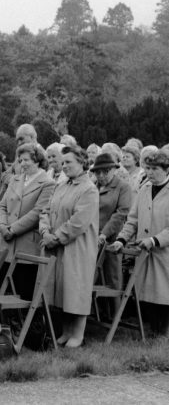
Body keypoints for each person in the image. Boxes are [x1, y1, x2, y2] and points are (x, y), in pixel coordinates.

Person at [39, 145, 99, 348]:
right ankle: (65, 332)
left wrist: (55, 237)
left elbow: (78, 222)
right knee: (61, 290)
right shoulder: (60, 185)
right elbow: (45, 210)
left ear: (82, 163)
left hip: (76, 248)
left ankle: (78, 334)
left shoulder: (89, 189)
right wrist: (45, 231)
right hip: (55, 246)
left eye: (68, 162)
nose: (64, 166)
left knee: (76, 289)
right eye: (62, 162)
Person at [110, 150, 169, 337]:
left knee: (164, 292)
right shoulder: (144, 189)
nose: (150, 172)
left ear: (166, 170)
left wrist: (154, 240)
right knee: (147, 292)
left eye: (155, 169)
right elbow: (133, 219)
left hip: (163, 251)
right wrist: (121, 239)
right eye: (148, 168)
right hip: (144, 251)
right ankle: (153, 330)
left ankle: (163, 332)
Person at [0, 144, 55, 300]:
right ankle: (3, 323)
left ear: (38, 160)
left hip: (26, 245)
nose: (23, 164)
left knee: (21, 292)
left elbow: (37, 213)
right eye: (20, 160)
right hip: (5, 243)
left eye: (27, 160)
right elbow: (1, 205)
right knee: (1, 289)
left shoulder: (48, 183)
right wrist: (1, 226)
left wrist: (12, 229)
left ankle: (22, 323)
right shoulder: (15, 179)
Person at [91, 152, 132, 317]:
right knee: (92, 277)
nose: (101, 175)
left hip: (112, 239)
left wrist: (103, 234)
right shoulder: (92, 187)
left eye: (105, 171)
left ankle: (116, 316)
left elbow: (121, 214)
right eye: (97, 172)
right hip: (92, 238)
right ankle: (96, 314)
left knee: (113, 277)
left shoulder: (123, 187)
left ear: (114, 170)